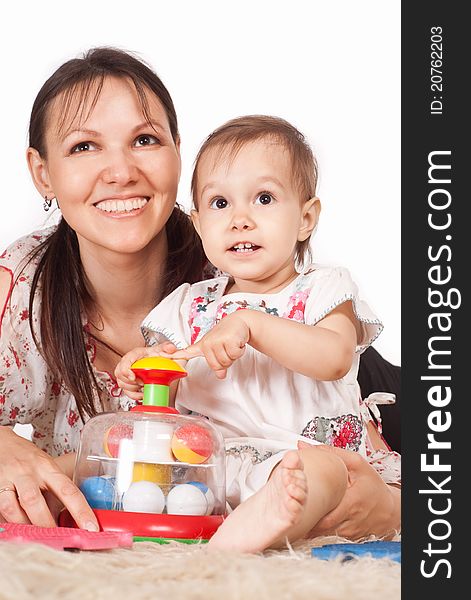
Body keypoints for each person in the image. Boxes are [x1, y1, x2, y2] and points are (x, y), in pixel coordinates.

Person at [0, 47, 399, 541]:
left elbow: (356, 390)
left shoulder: (242, 266)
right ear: (42, 171)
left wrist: (397, 507)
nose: (121, 171)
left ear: (176, 153)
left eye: (144, 140)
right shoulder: (21, 285)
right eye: (85, 146)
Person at [115, 115, 401, 552]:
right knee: (147, 468)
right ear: (197, 224)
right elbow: (167, 391)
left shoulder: (322, 289)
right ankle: (229, 525)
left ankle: (254, 530)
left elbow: (335, 358)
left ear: (306, 218)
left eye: (264, 198)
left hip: (301, 458)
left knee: (318, 473)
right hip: (209, 467)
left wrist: (254, 324)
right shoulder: (189, 305)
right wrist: (143, 372)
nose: (240, 219)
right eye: (219, 203)